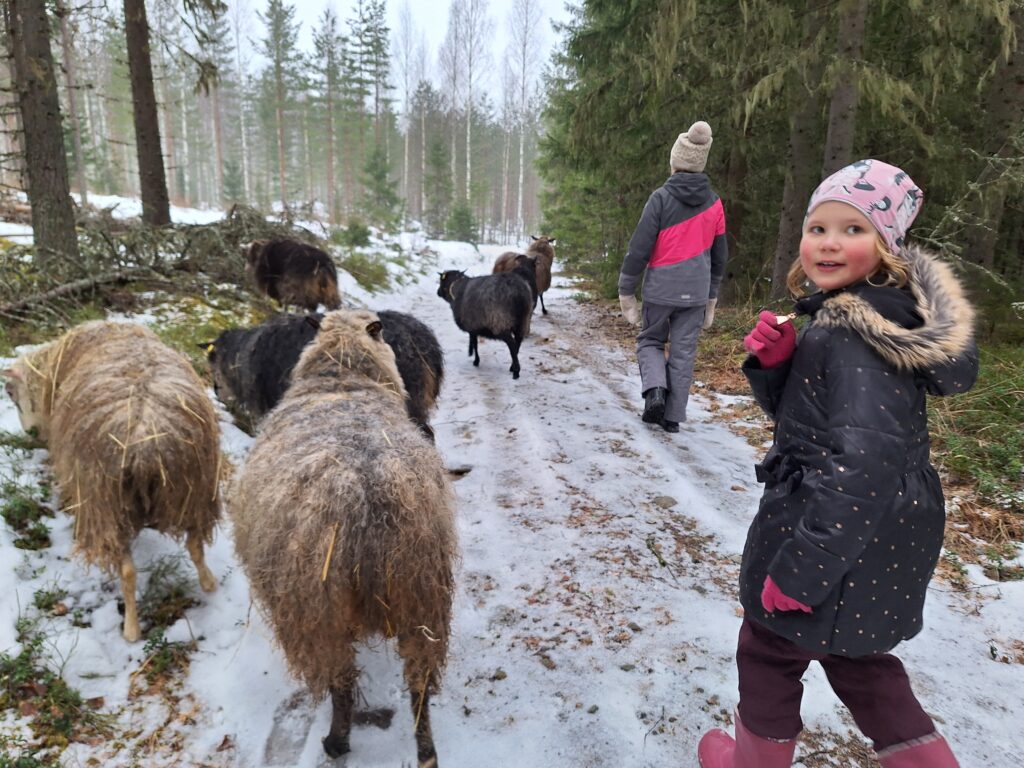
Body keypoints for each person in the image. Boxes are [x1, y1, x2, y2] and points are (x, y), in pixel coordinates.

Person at [698, 159, 978, 768]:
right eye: (817, 226)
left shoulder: (853, 334)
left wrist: (800, 572)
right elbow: (821, 428)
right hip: (876, 539)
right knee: (863, 665)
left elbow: (860, 465)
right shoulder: (862, 316)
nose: (828, 242)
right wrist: (779, 366)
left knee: (769, 651)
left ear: (886, 249)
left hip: (839, 537)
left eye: (853, 229)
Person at [618, 120, 728, 433]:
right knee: (683, 353)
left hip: (660, 289)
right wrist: (712, 297)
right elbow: (720, 256)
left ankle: (655, 392)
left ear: (675, 162)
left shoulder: (660, 199)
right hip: (695, 292)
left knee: (650, 340)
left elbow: (639, 249)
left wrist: (627, 290)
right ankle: (672, 417)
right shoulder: (715, 203)